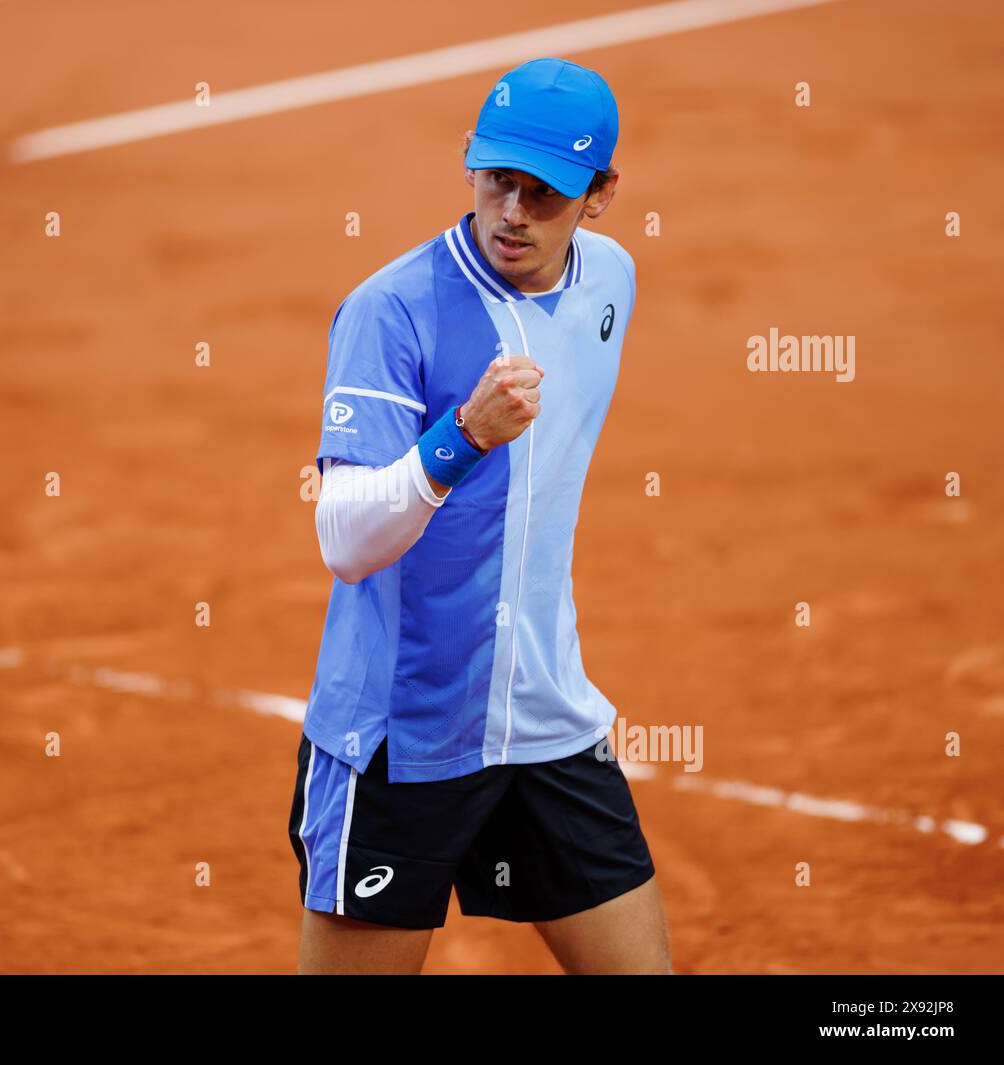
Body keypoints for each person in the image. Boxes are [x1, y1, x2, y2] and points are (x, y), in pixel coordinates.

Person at [289, 57, 672, 975]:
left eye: (545, 194)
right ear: (469, 157)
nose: (512, 212)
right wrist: (459, 436)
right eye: (498, 179)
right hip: (402, 736)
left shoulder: (611, 279)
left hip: (547, 720)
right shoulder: (392, 312)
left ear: (603, 194)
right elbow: (343, 540)